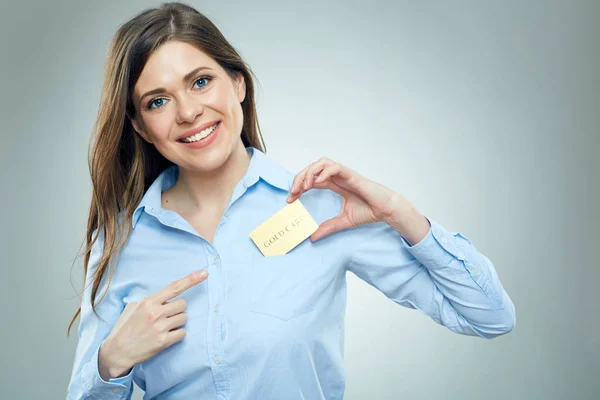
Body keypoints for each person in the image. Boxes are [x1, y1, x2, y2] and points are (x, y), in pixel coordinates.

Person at [65, 2, 516, 399]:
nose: (187, 112)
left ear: (237, 83)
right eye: (158, 101)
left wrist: (402, 213)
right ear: (141, 126)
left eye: (201, 82)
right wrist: (110, 363)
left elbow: (490, 316)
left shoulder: (322, 210)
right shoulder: (121, 240)